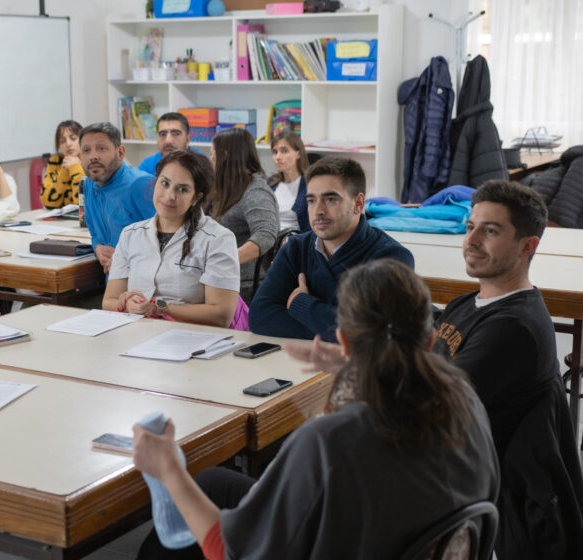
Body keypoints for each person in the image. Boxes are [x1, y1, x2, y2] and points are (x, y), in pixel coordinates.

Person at [133, 259, 499, 559]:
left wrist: (168, 469)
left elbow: (229, 552)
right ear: (431, 339)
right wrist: (360, 364)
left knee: (181, 517)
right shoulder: (466, 401)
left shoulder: (329, 441)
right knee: (214, 482)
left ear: (342, 339)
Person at [295, 180, 583, 558]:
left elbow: (424, 410)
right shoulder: (472, 302)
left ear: (528, 246)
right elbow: (419, 361)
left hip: (479, 510)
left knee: (310, 489)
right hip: (447, 480)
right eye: (470, 227)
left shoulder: (514, 328)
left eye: (491, 231)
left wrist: (359, 370)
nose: (472, 240)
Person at [249, 156, 414, 341]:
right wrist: (338, 327)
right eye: (311, 200)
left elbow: (373, 335)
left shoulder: (392, 257)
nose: (318, 210)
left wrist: (300, 304)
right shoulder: (295, 248)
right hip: (297, 363)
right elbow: (259, 317)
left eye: (331, 199)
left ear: (358, 204)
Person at [103, 150, 239, 327]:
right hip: (136, 332)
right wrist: (127, 304)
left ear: (196, 198)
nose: (169, 196)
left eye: (182, 189)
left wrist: (161, 308)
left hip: (190, 337)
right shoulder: (131, 234)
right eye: (164, 183)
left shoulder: (218, 239)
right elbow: (108, 301)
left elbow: (221, 315)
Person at [208, 128, 278, 303]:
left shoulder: (255, 190)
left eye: (212, 154)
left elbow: (266, 234)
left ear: (224, 155)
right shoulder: (229, 188)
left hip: (242, 286)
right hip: (220, 278)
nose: (211, 160)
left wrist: (227, 259)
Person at [80, 122, 155, 274]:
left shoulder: (141, 184)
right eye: (86, 150)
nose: (93, 156)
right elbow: (94, 233)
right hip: (112, 278)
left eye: (101, 148)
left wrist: (124, 256)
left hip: (145, 279)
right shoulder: (88, 183)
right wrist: (98, 248)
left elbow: (167, 238)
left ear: (120, 153)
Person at [268, 131, 311, 232]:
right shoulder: (269, 183)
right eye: (275, 152)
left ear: (298, 154)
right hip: (269, 238)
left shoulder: (310, 185)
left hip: (295, 241)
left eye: (284, 151)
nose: (278, 157)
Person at [41, 120, 84, 209]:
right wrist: (64, 170)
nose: (68, 144)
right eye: (62, 141)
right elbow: (48, 202)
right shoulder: (55, 162)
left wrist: (75, 168)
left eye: (73, 138)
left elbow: (82, 204)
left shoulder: (91, 162)